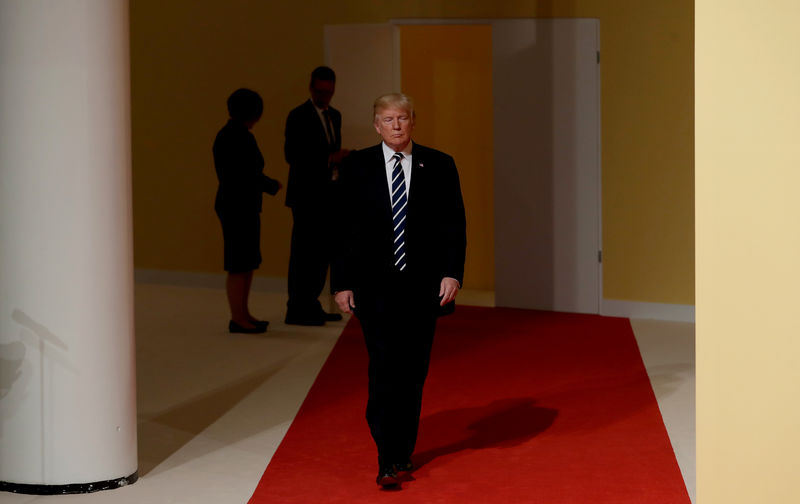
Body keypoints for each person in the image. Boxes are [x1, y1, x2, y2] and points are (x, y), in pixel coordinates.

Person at [332, 93, 467, 488]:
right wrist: (341, 283)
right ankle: (387, 455)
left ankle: (401, 449)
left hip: (423, 287)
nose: (396, 126)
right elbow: (341, 229)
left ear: (412, 122)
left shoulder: (440, 165)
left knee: (413, 371)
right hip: (375, 289)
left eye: (402, 118)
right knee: (384, 368)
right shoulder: (356, 167)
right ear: (376, 125)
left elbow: (453, 224)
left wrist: (452, 273)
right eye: (388, 119)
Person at [283, 66, 350, 325]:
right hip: (306, 196)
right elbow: (292, 155)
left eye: (329, 92)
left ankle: (311, 303)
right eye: (321, 92)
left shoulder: (335, 115)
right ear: (311, 88)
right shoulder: (297, 116)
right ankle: (297, 307)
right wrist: (329, 158)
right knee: (304, 254)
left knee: (323, 254)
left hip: (329, 194)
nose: (325, 96)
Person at [213, 88, 282, 334]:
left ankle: (243, 313)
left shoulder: (227, 135)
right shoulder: (239, 137)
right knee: (239, 262)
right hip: (238, 205)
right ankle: (238, 317)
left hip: (237, 204)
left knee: (245, 261)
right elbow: (246, 174)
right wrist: (271, 185)